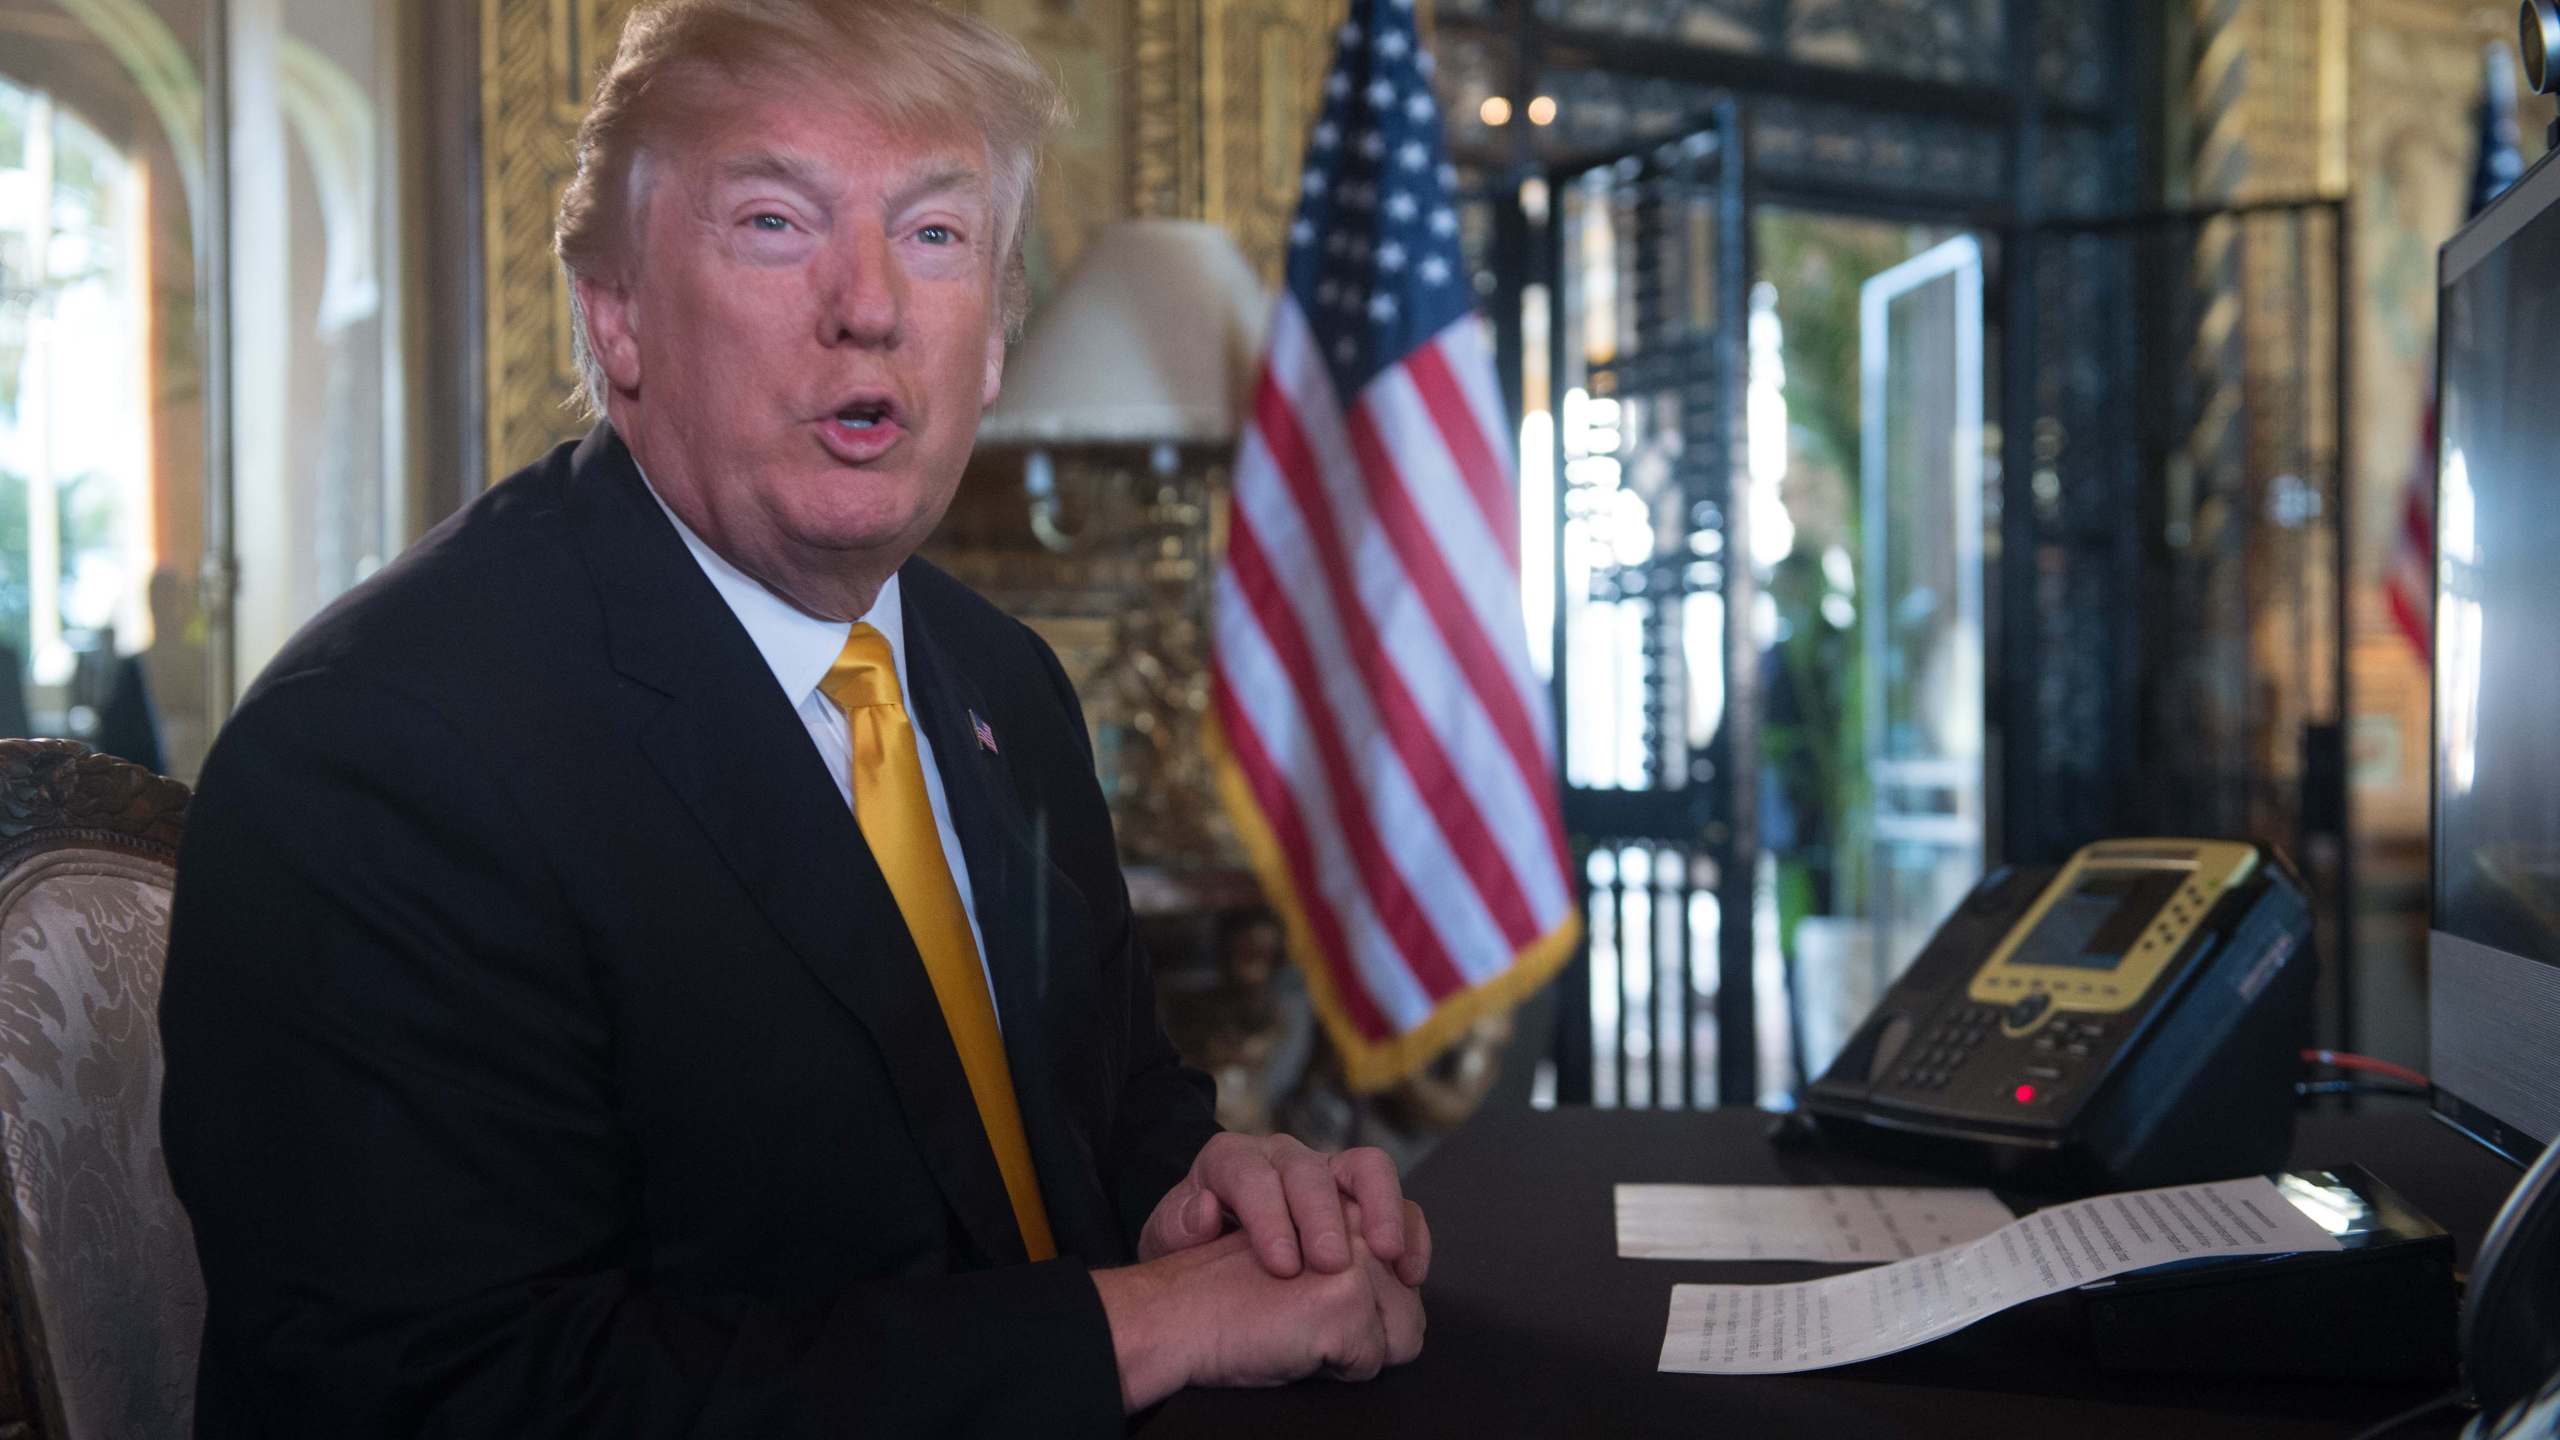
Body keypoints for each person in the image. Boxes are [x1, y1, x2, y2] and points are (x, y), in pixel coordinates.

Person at [156, 1, 1426, 1432]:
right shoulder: (380, 756)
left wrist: (1201, 1195)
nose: (870, 302)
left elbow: (1100, 1112)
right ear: (617, 314)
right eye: (774, 222)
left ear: (994, 340)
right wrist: (1126, 1327)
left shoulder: (1001, 677)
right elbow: (454, 1394)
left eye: (937, 236)